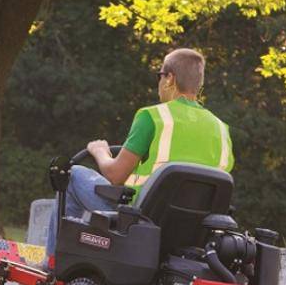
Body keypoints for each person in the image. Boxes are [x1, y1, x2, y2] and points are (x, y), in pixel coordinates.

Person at [43, 47, 234, 266]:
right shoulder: (221, 129)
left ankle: (54, 262)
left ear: (170, 78)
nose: (159, 82)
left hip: (140, 220)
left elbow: (115, 176)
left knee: (74, 175)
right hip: (193, 230)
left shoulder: (153, 117)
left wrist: (100, 152)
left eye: (160, 75)